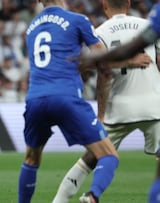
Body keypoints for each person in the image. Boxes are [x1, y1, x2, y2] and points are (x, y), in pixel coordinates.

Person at [53, 0, 159, 203]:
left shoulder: (99, 32)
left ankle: (62, 200)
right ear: (128, 4)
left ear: (104, 6)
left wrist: (101, 115)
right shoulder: (148, 26)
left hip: (118, 109)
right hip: (154, 105)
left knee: (91, 157)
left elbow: (104, 77)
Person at [18, 0, 120, 203]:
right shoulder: (77, 20)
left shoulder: (31, 27)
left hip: (35, 98)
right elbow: (103, 59)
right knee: (109, 155)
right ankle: (93, 196)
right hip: (65, 97)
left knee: (31, 159)